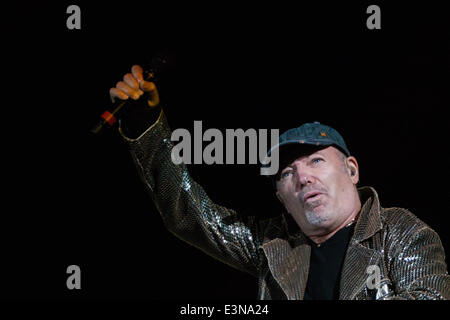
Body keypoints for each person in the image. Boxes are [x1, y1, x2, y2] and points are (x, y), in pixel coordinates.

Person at [109, 64, 450, 300]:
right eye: (287, 173)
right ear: (281, 197)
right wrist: (146, 126)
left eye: (316, 160)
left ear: (351, 169)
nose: (303, 177)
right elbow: (187, 212)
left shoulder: (402, 232)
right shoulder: (272, 244)